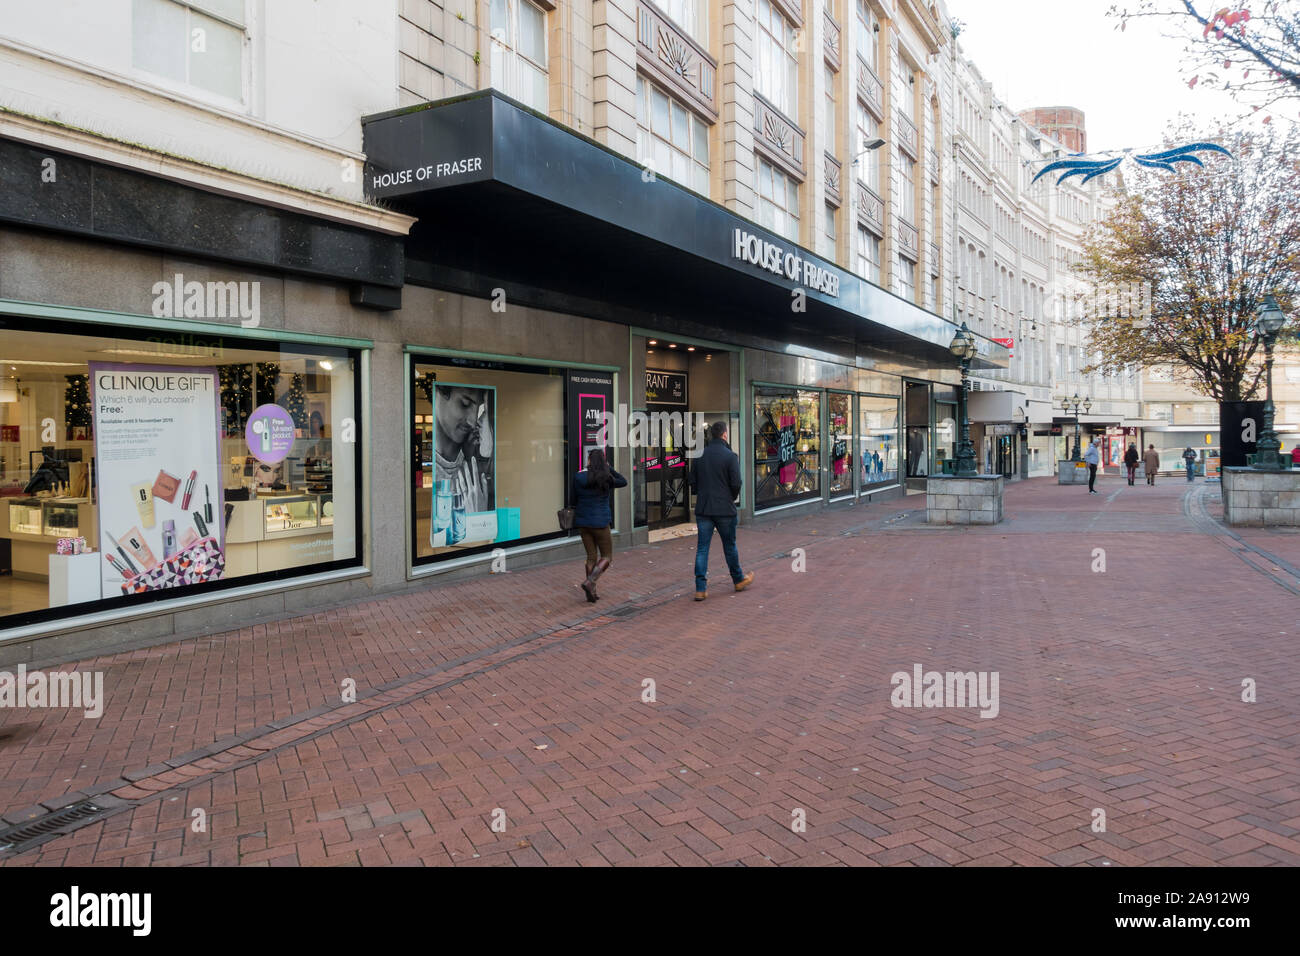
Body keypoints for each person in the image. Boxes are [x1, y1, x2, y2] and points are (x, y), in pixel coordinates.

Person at [688, 421, 753, 601]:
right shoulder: (731, 456)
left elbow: (692, 481)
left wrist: (701, 493)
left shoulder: (699, 455)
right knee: (729, 546)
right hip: (725, 508)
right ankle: (738, 579)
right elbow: (736, 483)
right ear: (725, 434)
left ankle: (700, 588)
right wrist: (730, 497)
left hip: (704, 508)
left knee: (702, 548)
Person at [571, 448, 627, 603]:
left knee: (590, 557)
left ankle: (591, 592)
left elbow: (572, 499)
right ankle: (590, 582)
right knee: (607, 556)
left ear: (589, 461)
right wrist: (610, 469)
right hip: (601, 522)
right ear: (603, 462)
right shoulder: (606, 477)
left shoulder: (578, 476)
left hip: (583, 522)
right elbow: (623, 481)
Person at [435, 384, 493, 513]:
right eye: (465, 404)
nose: (473, 421)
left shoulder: (472, 454)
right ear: (440, 393)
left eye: (480, 408)